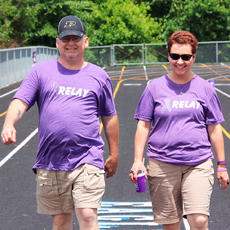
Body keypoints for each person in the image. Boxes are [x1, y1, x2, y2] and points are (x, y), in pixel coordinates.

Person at [1, 15, 119, 230]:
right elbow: (21, 100)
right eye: (66, 39)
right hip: (51, 160)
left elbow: (109, 116)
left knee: (87, 214)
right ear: (58, 43)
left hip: (87, 157)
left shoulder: (99, 76)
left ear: (86, 41)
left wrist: (114, 154)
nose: (71, 43)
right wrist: (9, 123)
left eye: (76, 38)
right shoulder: (41, 72)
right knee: (60, 221)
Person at [129, 31, 229, 230]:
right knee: (171, 225)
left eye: (186, 57)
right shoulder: (154, 88)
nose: (180, 61)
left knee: (199, 221)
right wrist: (138, 160)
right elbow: (143, 125)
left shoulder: (205, 89)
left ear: (194, 57)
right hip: (162, 164)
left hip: (198, 163)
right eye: (175, 56)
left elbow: (214, 129)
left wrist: (222, 165)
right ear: (168, 56)